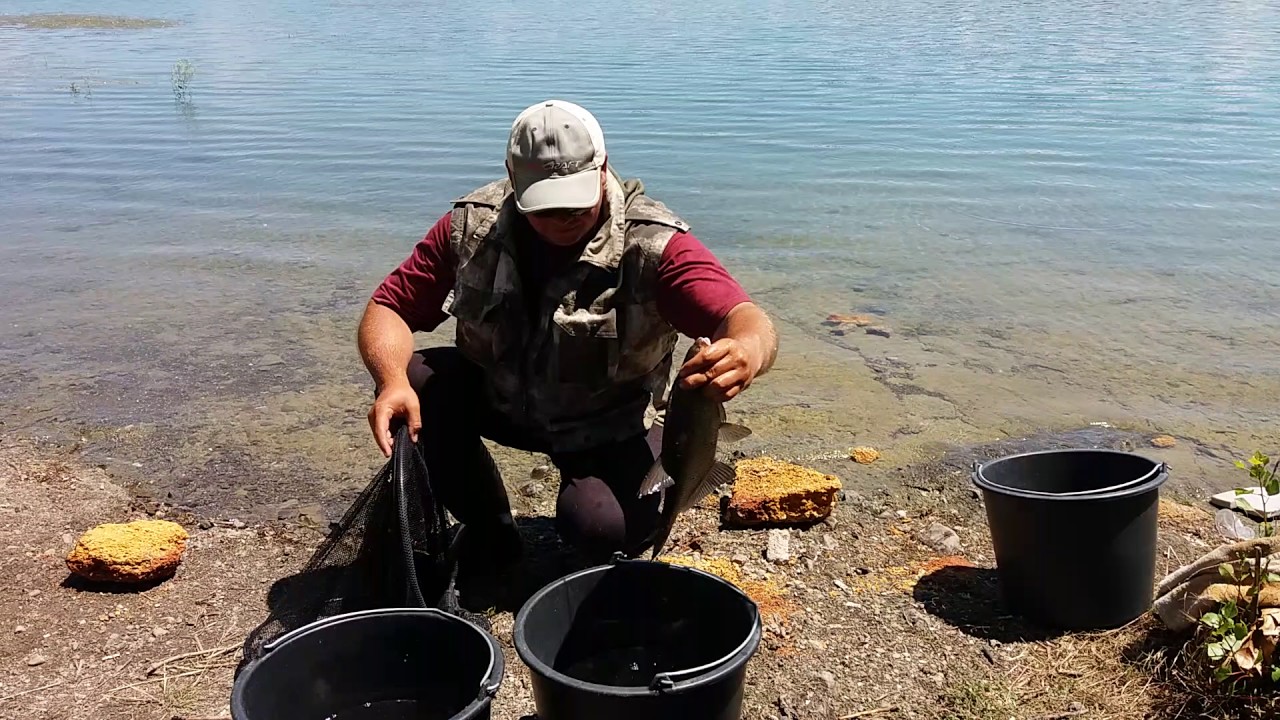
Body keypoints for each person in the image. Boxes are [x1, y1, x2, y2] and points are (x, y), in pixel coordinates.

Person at [356, 99, 778, 566]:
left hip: (605, 424)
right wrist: (390, 379)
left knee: (603, 528)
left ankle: (607, 510)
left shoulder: (656, 246)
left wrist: (746, 351)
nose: (564, 218)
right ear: (513, 180)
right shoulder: (470, 228)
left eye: (576, 202)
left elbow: (745, 318)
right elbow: (387, 308)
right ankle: (491, 530)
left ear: (602, 169)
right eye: (546, 207)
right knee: (414, 379)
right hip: (502, 400)